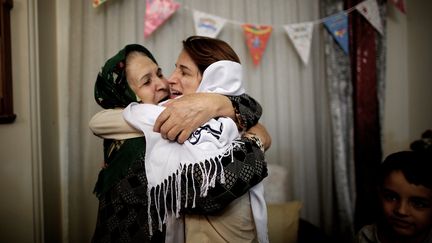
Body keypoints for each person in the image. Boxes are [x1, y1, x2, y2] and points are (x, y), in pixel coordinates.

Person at [90, 44, 270, 242]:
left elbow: (249, 105)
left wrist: (214, 104)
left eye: (159, 73)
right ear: (123, 96)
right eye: (146, 82)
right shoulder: (137, 145)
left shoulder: (188, 121)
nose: (164, 83)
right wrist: (257, 139)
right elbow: (212, 189)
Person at [355, 134, 432, 243]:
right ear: (379, 194)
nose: (401, 211)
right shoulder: (365, 237)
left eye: (419, 204)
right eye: (391, 197)